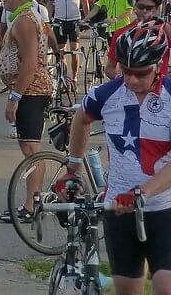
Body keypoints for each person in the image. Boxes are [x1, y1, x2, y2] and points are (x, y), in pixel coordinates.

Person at [60, 20, 171, 295]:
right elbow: (81, 119)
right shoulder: (107, 94)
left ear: (159, 66)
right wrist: (73, 168)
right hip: (118, 208)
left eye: (141, 73)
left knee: (164, 286)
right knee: (127, 290)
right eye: (126, 71)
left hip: (164, 209)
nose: (132, 79)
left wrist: (141, 193)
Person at [0, 0, 56, 223]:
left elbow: (30, 62)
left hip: (32, 89)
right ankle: (34, 202)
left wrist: (15, 97)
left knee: (32, 149)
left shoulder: (24, 19)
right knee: (29, 147)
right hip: (32, 88)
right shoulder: (29, 15)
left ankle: (32, 205)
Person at [106, 0, 167, 78]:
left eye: (149, 8)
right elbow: (109, 68)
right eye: (141, 7)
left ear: (158, 9)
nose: (144, 11)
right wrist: (126, 84)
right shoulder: (121, 34)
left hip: (159, 89)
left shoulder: (166, 31)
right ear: (135, 7)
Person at [48, 0, 90, 85]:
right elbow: (50, 3)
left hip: (74, 21)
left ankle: (75, 77)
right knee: (60, 51)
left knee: (74, 50)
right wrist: (48, 19)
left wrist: (86, 19)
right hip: (60, 21)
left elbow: (84, 0)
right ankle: (64, 76)